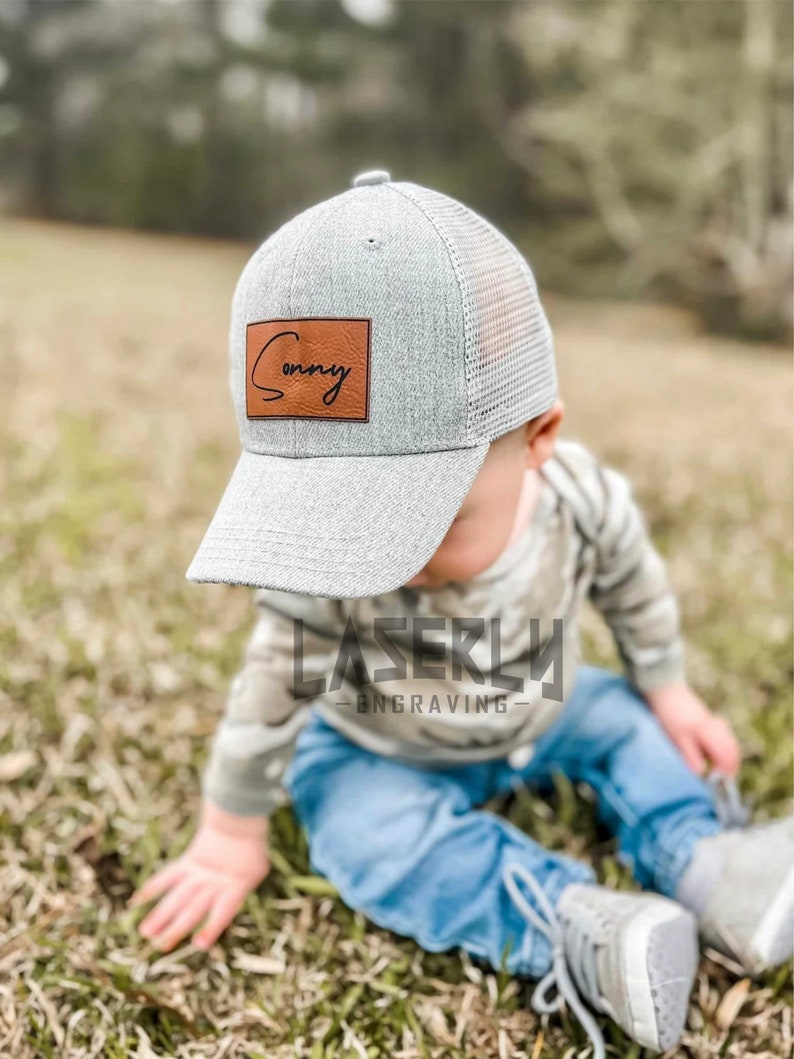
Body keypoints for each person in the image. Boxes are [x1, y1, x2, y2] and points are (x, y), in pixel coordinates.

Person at [129, 170, 793, 1057]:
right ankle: (567, 921)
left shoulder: (580, 499)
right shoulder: (325, 565)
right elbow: (274, 683)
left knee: (628, 725)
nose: (379, 555)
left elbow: (633, 588)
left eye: (418, 516)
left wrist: (668, 690)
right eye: (334, 512)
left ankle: (704, 857)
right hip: (377, 745)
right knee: (361, 828)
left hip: (546, 701)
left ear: (538, 439)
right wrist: (227, 833)